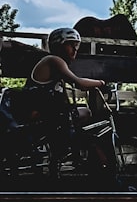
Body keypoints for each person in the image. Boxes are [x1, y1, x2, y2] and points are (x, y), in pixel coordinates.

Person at [26, 27, 106, 155]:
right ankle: (65, 150)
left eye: (76, 46)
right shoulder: (54, 60)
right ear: (58, 46)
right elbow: (79, 83)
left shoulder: (56, 63)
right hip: (39, 112)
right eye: (71, 45)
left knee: (77, 115)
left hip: (48, 113)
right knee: (85, 113)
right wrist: (102, 83)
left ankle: (60, 152)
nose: (75, 49)